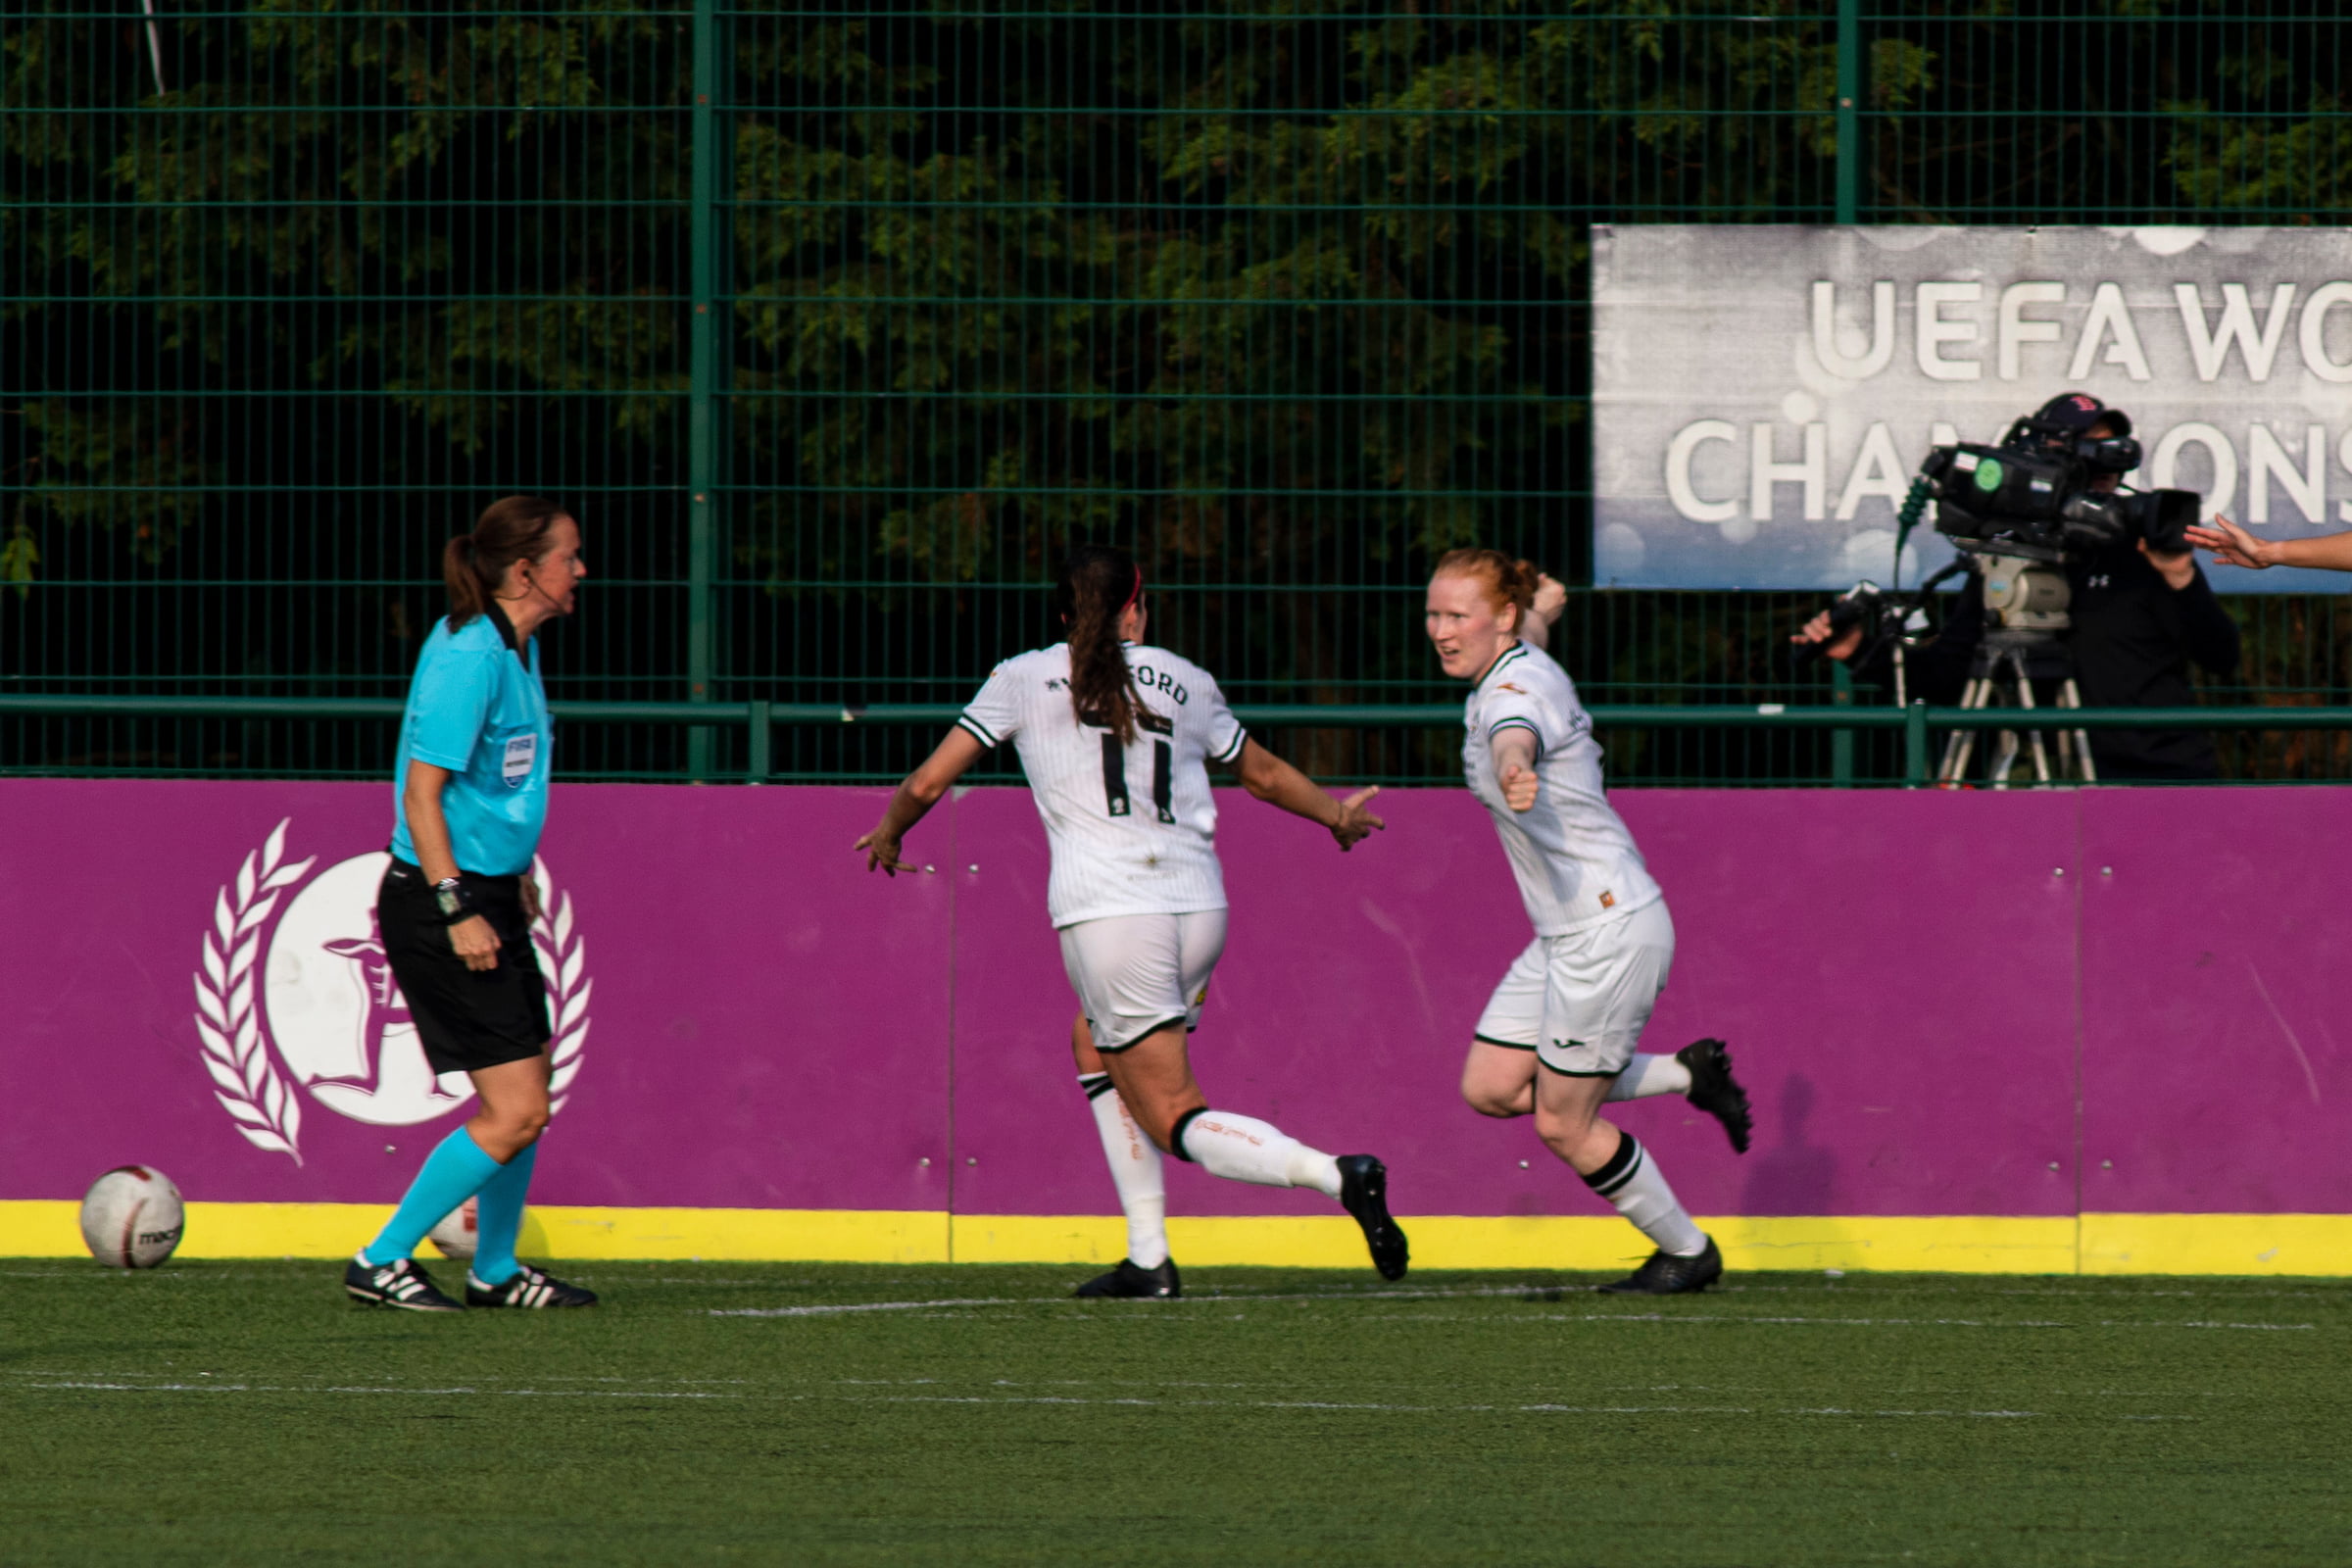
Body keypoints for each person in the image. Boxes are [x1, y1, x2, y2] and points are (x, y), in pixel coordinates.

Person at [856, 545, 1404, 1298]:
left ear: (1063, 614)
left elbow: (926, 783)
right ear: (1136, 609)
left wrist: (889, 832)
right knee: (1093, 1043)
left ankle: (1338, 1174)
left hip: (1114, 914)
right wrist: (1336, 816)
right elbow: (1264, 774)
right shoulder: (1186, 677)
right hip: (1199, 908)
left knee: (1173, 1115)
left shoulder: (1022, 677)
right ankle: (1148, 1257)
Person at [1429, 549, 1753, 1295]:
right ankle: (1687, 1073)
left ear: (1498, 619)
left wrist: (1513, 766)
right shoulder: (1521, 654)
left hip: (1607, 931)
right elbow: (1532, 641)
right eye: (1434, 614)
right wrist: (1544, 607)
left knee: (1562, 1123)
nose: (1441, 630)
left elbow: (1515, 731)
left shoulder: (1513, 692)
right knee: (1492, 1086)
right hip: (1566, 933)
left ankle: (1686, 1251)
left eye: (1456, 616)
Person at [343, 496, 597, 1312]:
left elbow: (496, 782)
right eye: (569, 557)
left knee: (527, 1099)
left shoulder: (516, 647)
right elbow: (421, 795)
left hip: (487, 889)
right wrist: (457, 906)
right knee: (516, 1111)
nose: (581, 570)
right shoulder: (470, 657)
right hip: (439, 901)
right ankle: (380, 1259)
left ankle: (494, 1271)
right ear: (525, 571)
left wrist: (512, 871)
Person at [1792, 393, 2242, 780]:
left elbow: (2221, 657)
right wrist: (1858, 651)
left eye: (2112, 450)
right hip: (2055, 785)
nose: (2105, 463)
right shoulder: (2003, 564)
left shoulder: (2143, 550)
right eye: (2090, 448)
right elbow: (1946, 678)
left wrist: (2181, 576)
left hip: (2160, 780)